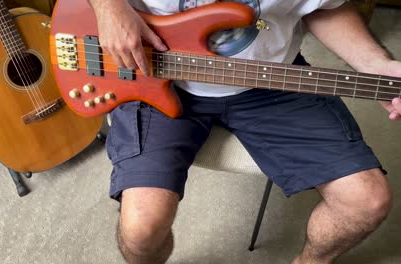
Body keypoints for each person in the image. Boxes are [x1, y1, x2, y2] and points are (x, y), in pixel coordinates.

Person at [88, 0, 401, 263]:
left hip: (273, 80)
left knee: (366, 201)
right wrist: (107, 8)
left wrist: (376, 64)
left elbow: (323, 5)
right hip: (152, 75)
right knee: (140, 230)